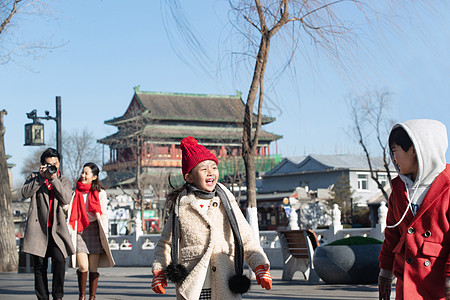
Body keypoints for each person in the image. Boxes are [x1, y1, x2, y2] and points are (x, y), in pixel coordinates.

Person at [152, 136, 272, 300]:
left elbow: (246, 237)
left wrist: (259, 265)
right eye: (203, 169)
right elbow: (165, 242)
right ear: (189, 177)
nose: (211, 173)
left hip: (225, 281)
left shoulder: (226, 200)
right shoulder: (182, 205)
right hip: (193, 284)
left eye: (214, 167)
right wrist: (160, 271)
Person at [378, 119, 450, 300]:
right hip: (407, 283)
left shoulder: (448, 185)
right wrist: (385, 270)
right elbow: (392, 233)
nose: (393, 159)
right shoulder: (399, 189)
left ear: (416, 149)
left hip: (438, 282)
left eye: (395, 151)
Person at [21, 147, 75, 300]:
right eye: (48, 164)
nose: (52, 167)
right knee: (39, 266)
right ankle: (42, 298)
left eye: (55, 164)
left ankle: (58, 296)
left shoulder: (64, 180)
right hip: (38, 229)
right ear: (42, 164)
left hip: (56, 229)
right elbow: (25, 193)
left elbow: (66, 198)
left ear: (59, 164)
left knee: (59, 260)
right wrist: (40, 178)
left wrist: (53, 179)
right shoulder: (34, 177)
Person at [68, 162, 115, 300]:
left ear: (94, 177)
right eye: (82, 172)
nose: (83, 175)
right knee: (83, 266)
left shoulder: (100, 193)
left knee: (93, 268)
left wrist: (105, 233)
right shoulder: (75, 192)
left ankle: (92, 297)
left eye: (86, 173)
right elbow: (70, 210)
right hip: (80, 230)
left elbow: (104, 214)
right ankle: (82, 295)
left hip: (95, 230)